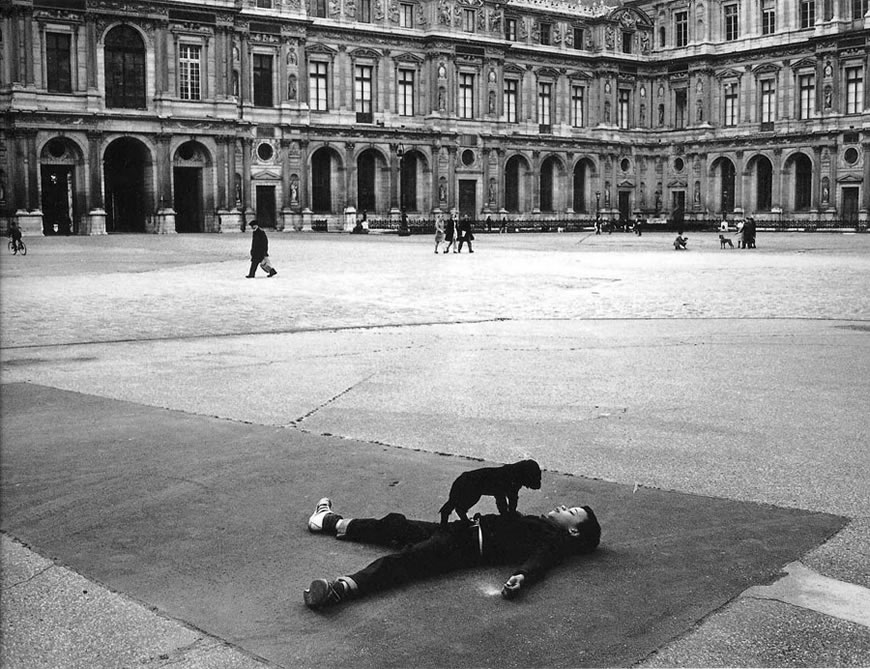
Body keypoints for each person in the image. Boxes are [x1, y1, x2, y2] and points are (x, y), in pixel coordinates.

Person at [303, 496, 601, 609]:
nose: (562, 507)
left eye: (570, 512)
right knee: (397, 525)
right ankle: (329, 521)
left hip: (460, 547)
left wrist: (521, 576)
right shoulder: (542, 526)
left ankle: (339, 590)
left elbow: (540, 562)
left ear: (573, 531)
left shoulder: (553, 541)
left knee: (404, 561)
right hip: (459, 530)